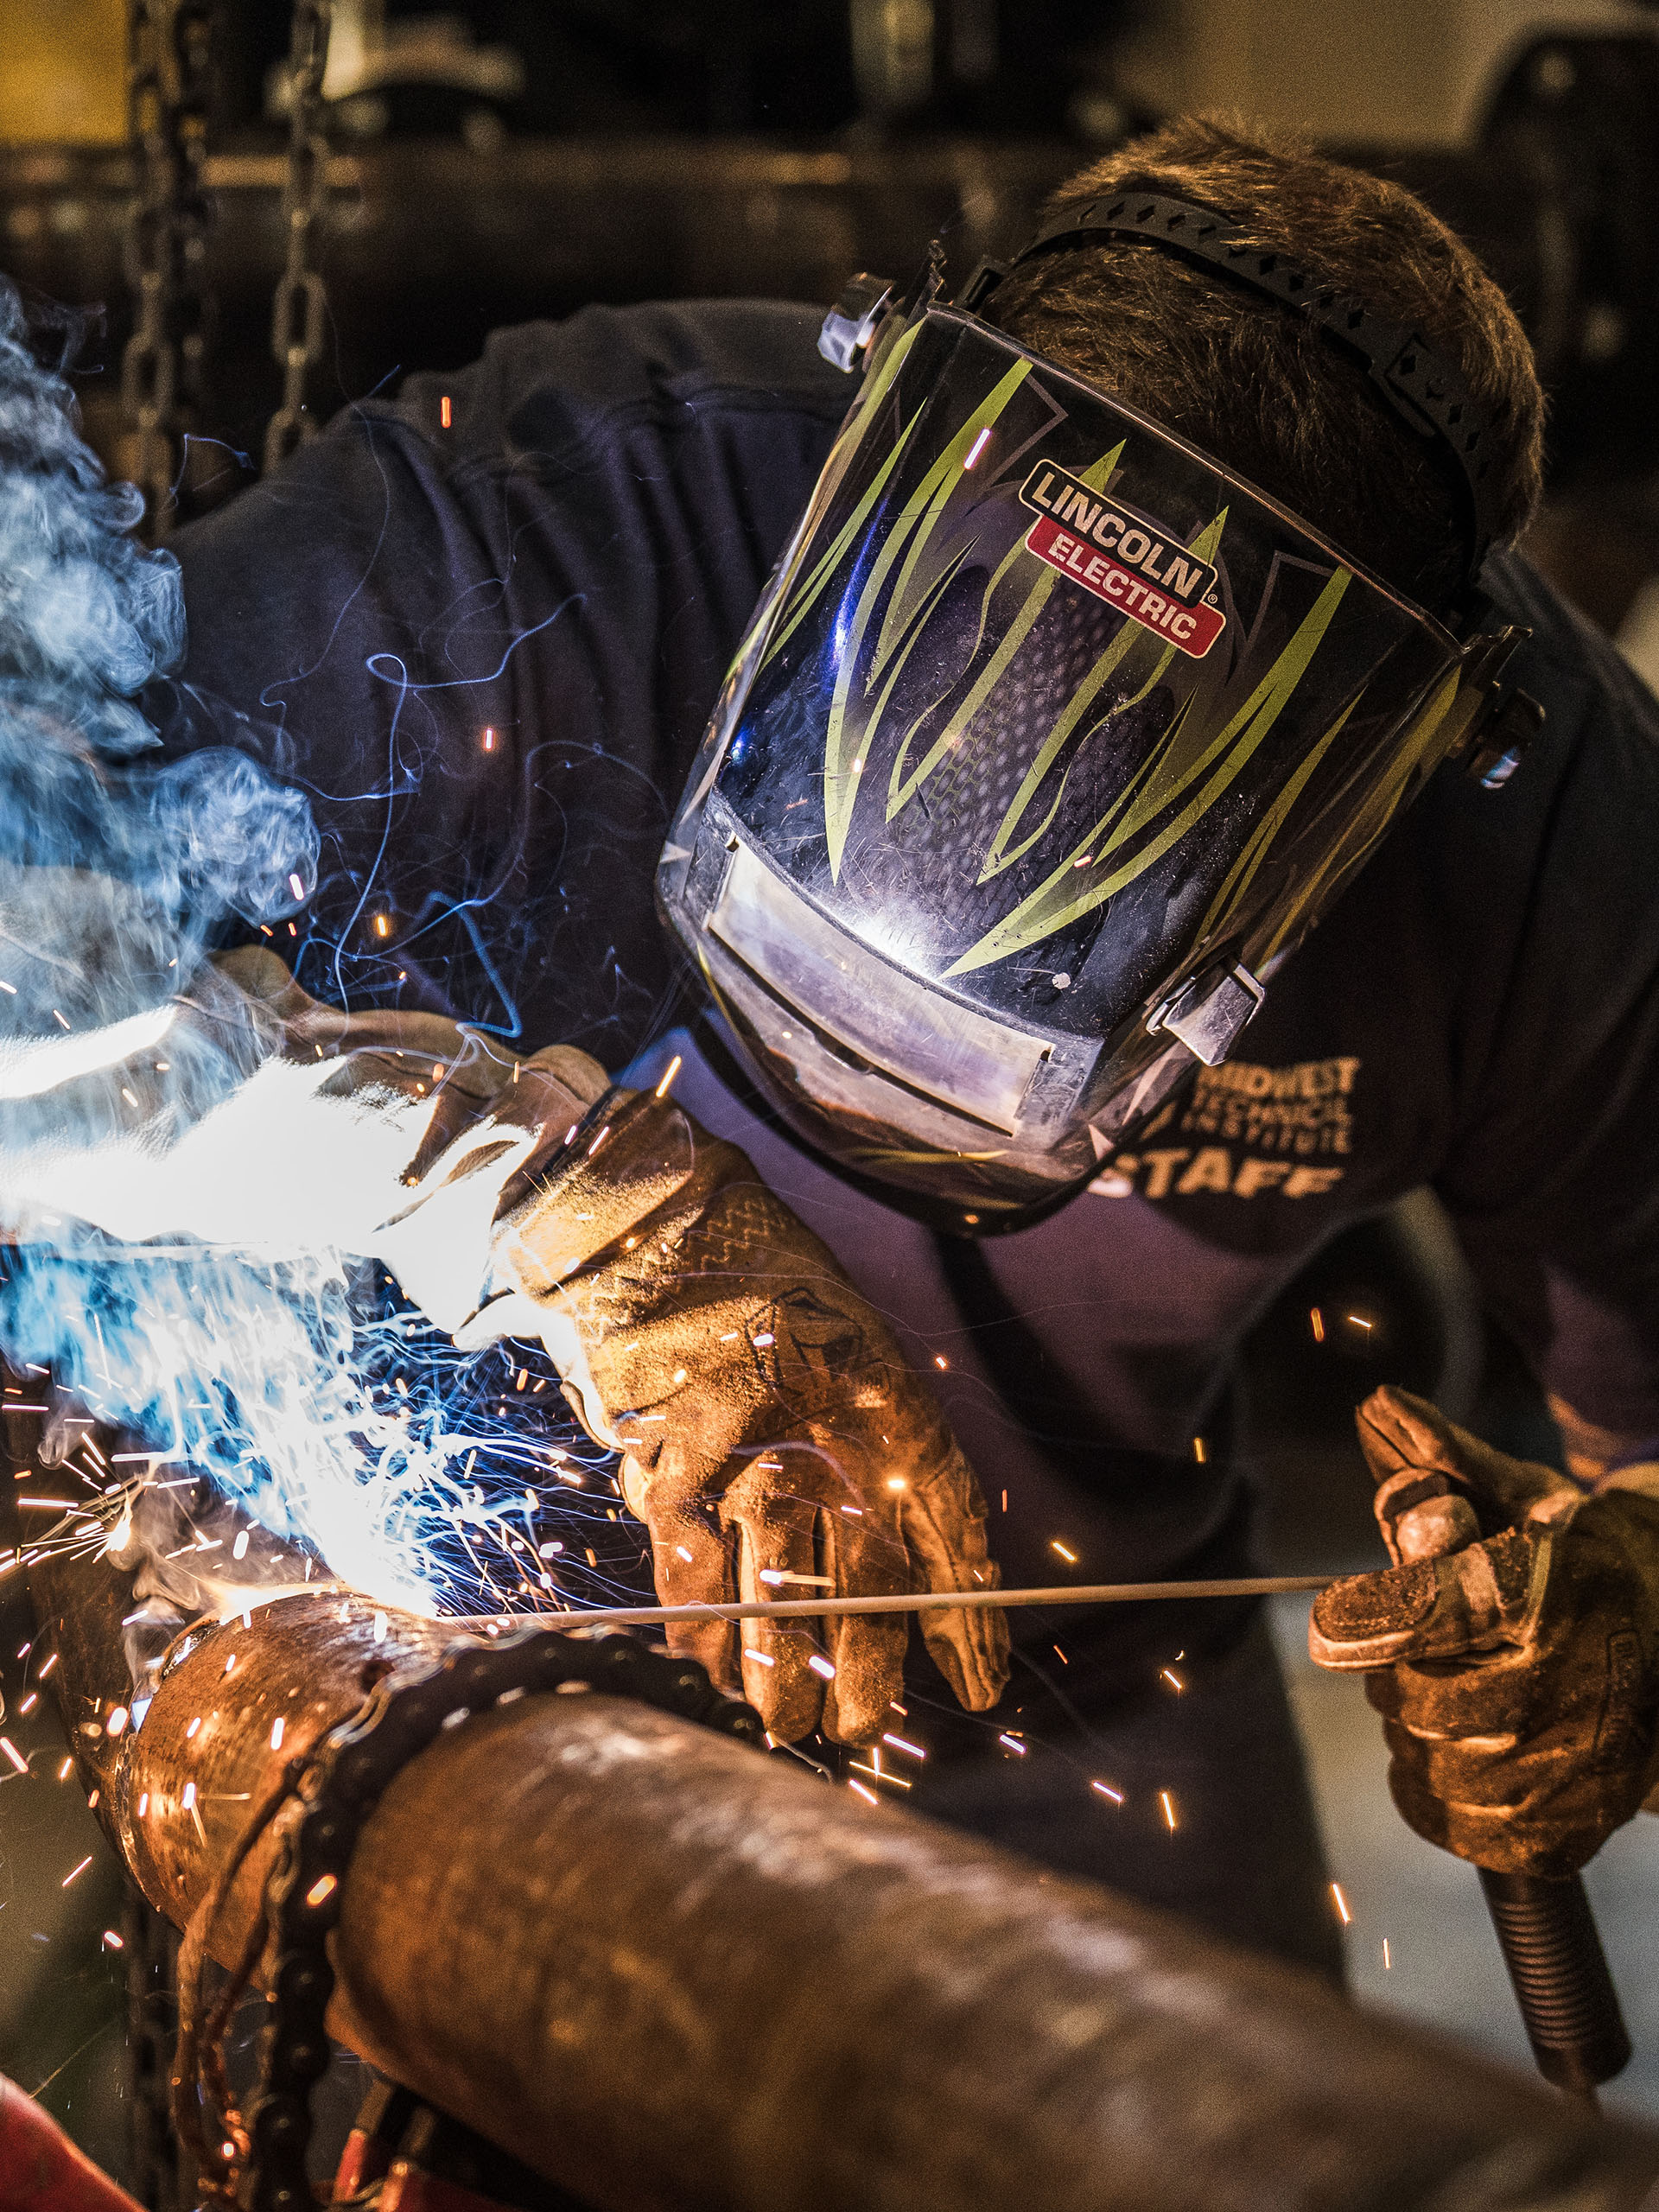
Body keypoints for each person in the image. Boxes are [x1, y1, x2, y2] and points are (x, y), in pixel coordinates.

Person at [147, 114, 1659, 1981]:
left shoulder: (1549, 827)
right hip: (437, 1609)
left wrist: (1627, 1595)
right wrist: (544, 1202)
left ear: (1397, 754)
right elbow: (25, 880)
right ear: (879, 446)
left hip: (1065, 1669)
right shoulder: (564, 514)